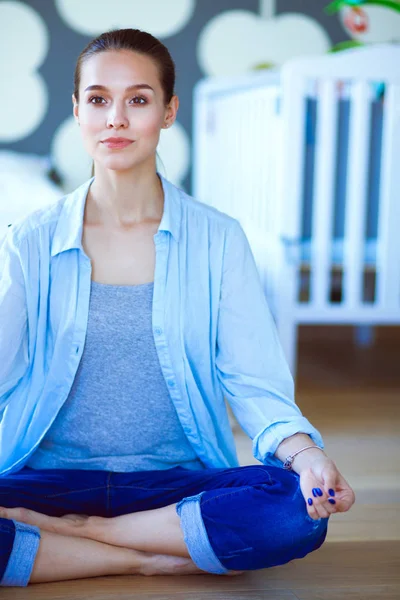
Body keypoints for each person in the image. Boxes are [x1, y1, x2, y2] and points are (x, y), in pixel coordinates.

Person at [0, 28, 356, 587]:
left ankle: (77, 536)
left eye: (138, 100)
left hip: (176, 483)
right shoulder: (28, 241)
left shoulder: (219, 239)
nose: (115, 118)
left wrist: (305, 454)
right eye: (98, 100)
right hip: (46, 479)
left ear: (168, 111)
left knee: (295, 512)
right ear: (77, 110)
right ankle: (141, 554)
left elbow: (253, 382)